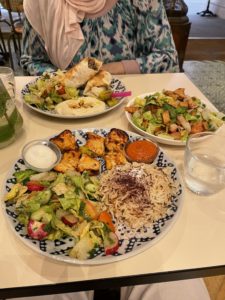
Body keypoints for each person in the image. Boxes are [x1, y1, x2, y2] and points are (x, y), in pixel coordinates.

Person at [21, 0, 179, 76]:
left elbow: (167, 58)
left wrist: (111, 69)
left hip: (126, 104)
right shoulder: (40, 3)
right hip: (60, 109)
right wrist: (64, 81)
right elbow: (31, 61)